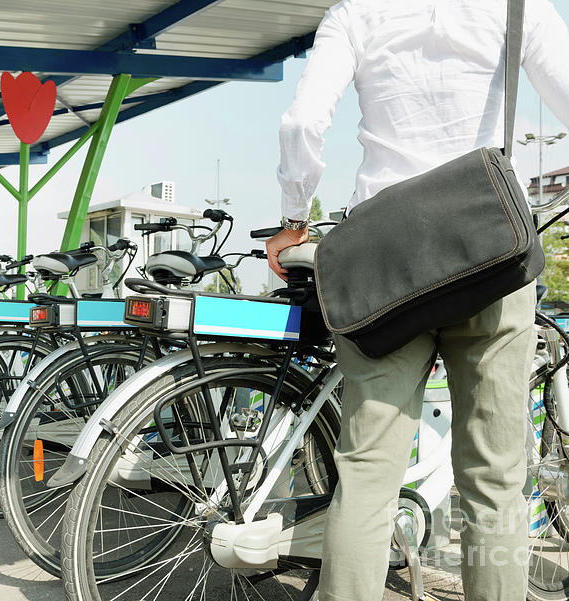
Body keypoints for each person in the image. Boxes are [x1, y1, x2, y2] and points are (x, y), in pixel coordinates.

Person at [264, 1, 569, 599]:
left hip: (384, 261)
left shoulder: (354, 13)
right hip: (489, 256)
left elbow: (302, 123)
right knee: (494, 479)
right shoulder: (517, 8)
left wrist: (295, 217)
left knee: (368, 469)